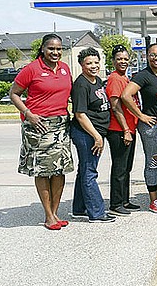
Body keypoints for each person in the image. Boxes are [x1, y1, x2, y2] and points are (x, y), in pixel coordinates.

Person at [9, 33, 74, 230]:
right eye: (51, 48)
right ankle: (48, 216)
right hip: (39, 126)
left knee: (60, 169)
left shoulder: (64, 68)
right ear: (43, 49)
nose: (55, 52)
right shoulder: (32, 69)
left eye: (58, 49)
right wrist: (28, 114)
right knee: (43, 170)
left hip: (61, 125)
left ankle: (55, 213)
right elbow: (14, 93)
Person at [121, 43, 157, 214]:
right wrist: (141, 115)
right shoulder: (143, 75)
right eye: (152, 55)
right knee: (154, 162)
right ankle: (153, 200)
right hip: (152, 126)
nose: (156, 58)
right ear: (147, 57)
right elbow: (125, 95)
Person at [70, 48, 114, 223]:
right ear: (81, 65)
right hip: (86, 133)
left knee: (84, 170)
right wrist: (97, 136)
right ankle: (96, 212)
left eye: (96, 62)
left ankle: (79, 208)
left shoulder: (97, 81)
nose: (93, 66)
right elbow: (80, 114)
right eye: (89, 63)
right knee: (90, 172)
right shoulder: (81, 84)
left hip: (96, 132)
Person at [105, 45, 140, 216]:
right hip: (119, 130)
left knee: (127, 167)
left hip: (129, 128)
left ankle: (124, 200)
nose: (123, 62)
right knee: (119, 168)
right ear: (113, 61)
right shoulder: (115, 79)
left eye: (126, 59)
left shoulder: (124, 78)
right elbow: (115, 106)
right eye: (119, 59)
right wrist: (125, 129)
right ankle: (116, 203)